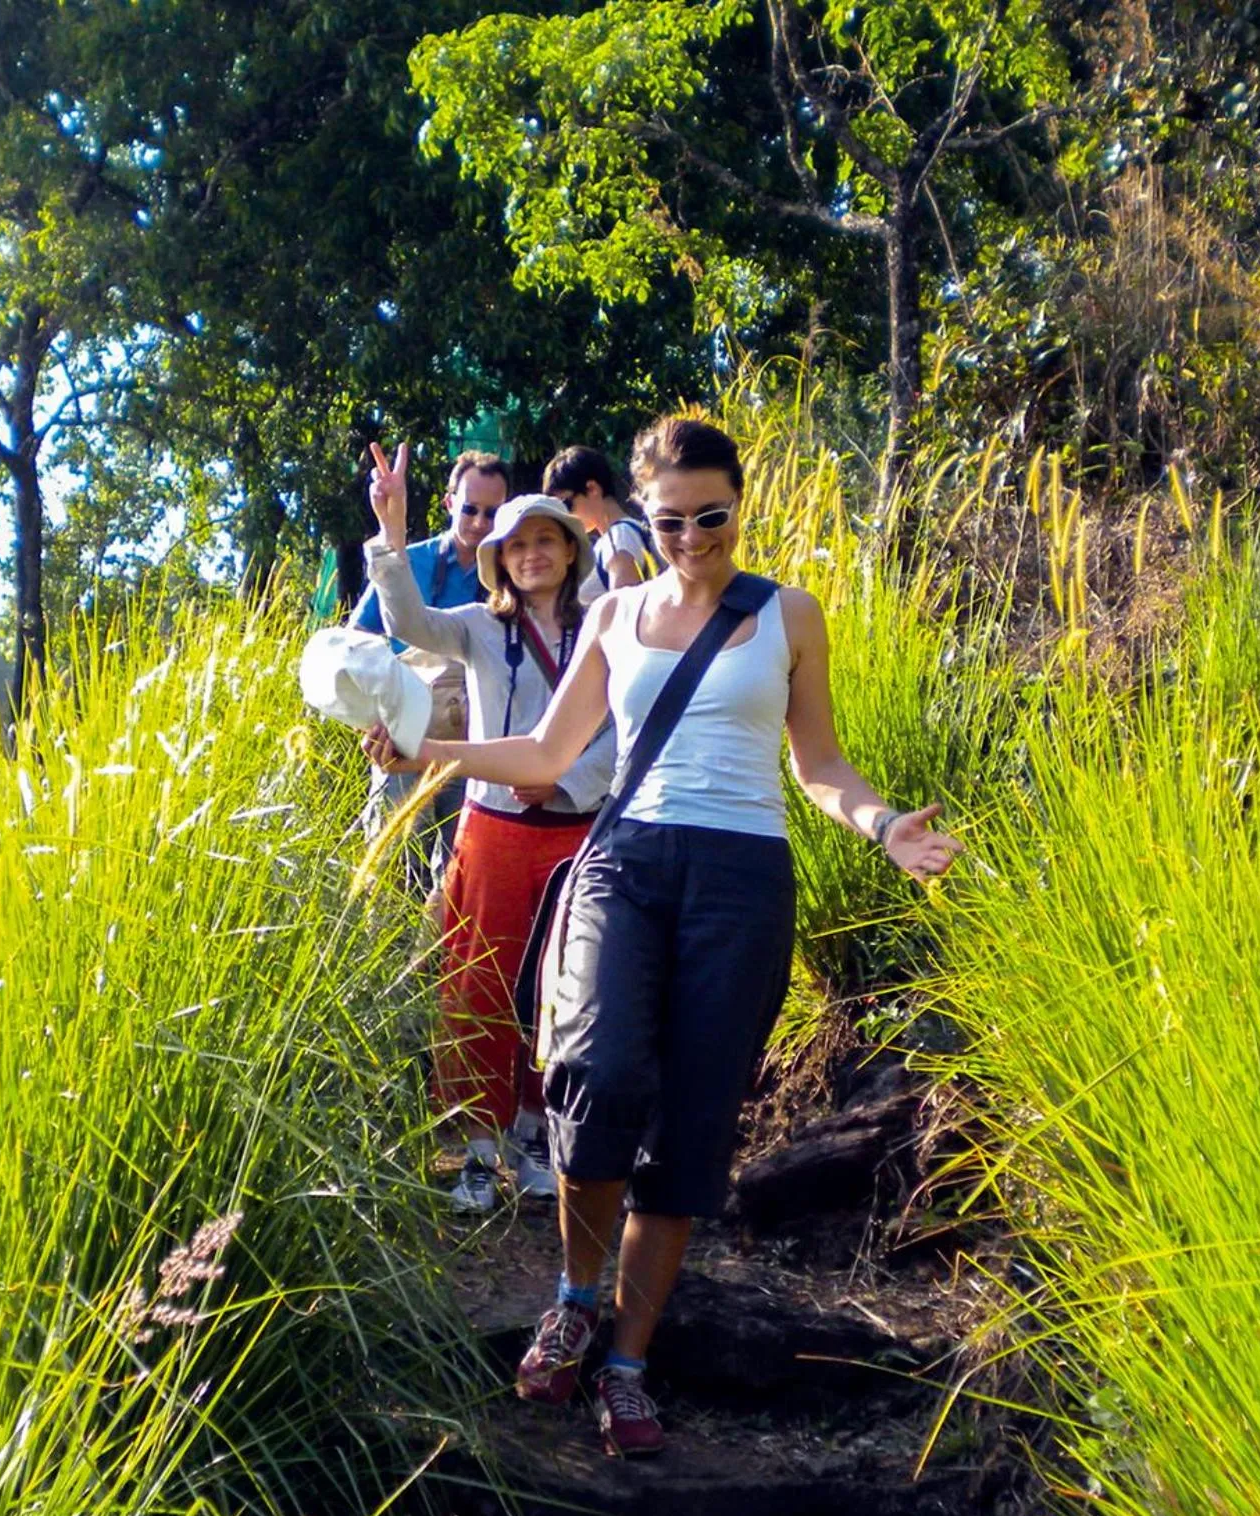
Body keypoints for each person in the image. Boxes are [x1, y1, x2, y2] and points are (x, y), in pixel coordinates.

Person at [362, 416, 961, 1458]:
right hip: (624, 863)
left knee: (688, 1128)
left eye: (711, 517)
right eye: (671, 519)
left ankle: (628, 1362)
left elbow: (816, 762)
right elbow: (551, 747)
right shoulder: (613, 614)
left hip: (739, 879)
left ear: (738, 504)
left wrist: (880, 825)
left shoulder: (787, 615)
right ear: (643, 514)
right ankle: (571, 1298)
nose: (691, 537)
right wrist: (432, 753)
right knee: (590, 1076)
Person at [364, 440, 615, 1213]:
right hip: (492, 828)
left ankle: (538, 1136)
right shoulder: (477, 625)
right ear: (497, 558)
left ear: (570, 551)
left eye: (547, 540)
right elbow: (407, 617)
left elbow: (618, 730)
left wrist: (567, 780)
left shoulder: (604, 625)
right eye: (517, 545)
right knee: (476, 983)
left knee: (559, 989)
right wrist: (392, 527)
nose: (532, 555)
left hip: (575, 828)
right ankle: (477, 1149)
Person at [350, 448, 511, 887]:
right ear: (448, 504)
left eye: (492, 513)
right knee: (390, 875)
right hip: (402, 735)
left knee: (458, 878)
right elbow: (359, 641)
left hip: (472, 744)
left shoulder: (510, 574)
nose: (479, 523)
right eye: (470, 509)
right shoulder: (409, 559)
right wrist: (373, 719)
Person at [544, 445, 657, 590]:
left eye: (566, 505)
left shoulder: (619, 536)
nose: (564, 515)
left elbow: (623, 607)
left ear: (592, 489)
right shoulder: (619, 535)